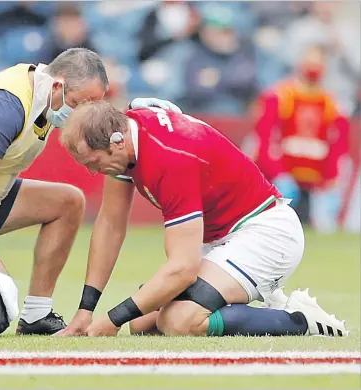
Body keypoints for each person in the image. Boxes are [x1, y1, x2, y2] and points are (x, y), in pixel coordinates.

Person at [0, 47, 179, 336]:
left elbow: (96, 120)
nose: (85, 114)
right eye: (80, 104)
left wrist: (134, 112)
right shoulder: (6, 106)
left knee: (68, 202)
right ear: (58, 85)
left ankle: (36, 315)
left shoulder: (50, 93)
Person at [56, 100, 347, 338]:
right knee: (143, 323)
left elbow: (182, 269)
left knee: (179, 321)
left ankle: (298, 320)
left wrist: (112, 319)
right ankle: (263, 303)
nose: (93, 172)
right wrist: (86, 310)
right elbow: (110, 225)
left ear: (117, 143)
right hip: (223, 235)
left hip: (264, 233)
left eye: (93, 163)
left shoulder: (169, 158)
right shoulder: (123, 135)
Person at [253, 45, 350, 233]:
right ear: (299, 64)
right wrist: (278, 173)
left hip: (313, 185)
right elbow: (265, 139)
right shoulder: (280, 96)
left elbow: (338, 145)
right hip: (281, 182)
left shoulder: (331, 102)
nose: (314, 68)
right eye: (310, 63)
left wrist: (330, 180)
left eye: (319, 64)